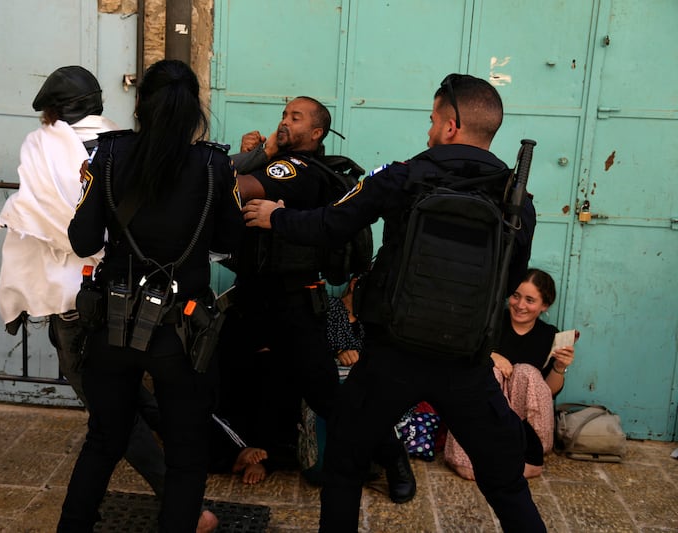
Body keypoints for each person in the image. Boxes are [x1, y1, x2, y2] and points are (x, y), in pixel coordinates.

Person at [242, 73, 546, 531]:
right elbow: (506, 281)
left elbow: (332, 224)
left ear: (450, 126)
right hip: (465, 365)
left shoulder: (404, 176)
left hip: (391, 357)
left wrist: (278, 217)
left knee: (343, 468)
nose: (428, 131)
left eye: (431, 120)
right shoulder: (516, 201)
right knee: (506, 485)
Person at [58, 59, 242, 533]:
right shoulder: (214, 166)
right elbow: (230, 239)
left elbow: (82, 241)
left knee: (103, 440)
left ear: (139, 105)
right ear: (194, 111)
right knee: (185, 453)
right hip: (181, 333)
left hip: (113, 325)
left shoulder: (109, 155)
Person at [221, 100, 415, 502]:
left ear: (316, 135)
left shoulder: (297, 169)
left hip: (292, 301)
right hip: (255, 295)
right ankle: (251, 451)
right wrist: (254, 157)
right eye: (284, 115)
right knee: (234, 373)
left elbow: (231, 189)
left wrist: (255, 158)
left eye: (296, 118)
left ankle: (393, 457)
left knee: (327, 395)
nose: (284, 122)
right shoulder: (280, 164)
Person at [0, 65, 168, 502]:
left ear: (52, 111)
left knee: (108, 409)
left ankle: (179, 498)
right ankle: (206, 455)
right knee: (130, 388)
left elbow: (46, 215)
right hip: (126, 291)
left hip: (73, 300)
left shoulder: (41, 146)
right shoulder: (123, 141)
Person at [445, 268, 576, 480]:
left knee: (527, 373)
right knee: (490, 371)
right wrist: (492, 357)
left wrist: (560, 367)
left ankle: (525, 453)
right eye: (516, 296)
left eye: (530, 300)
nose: (520, 305)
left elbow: (547, 391)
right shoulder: (491, 323)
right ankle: (468, 458)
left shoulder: (549, 335)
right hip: (484, 416)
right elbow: (460, 362)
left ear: (545, 306)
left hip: (519, 422)